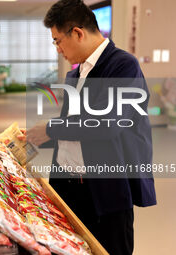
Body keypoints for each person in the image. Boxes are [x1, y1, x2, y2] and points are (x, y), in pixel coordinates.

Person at [22, 1, 157, 254]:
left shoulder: (123, 66)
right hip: (69, 188)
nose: (58, 49)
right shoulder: (75, 75)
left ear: (77, 33)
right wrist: (38, 137)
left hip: (106, 191)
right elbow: (76, 129)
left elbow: (108, 124)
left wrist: (50, 128)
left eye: (57, 40)